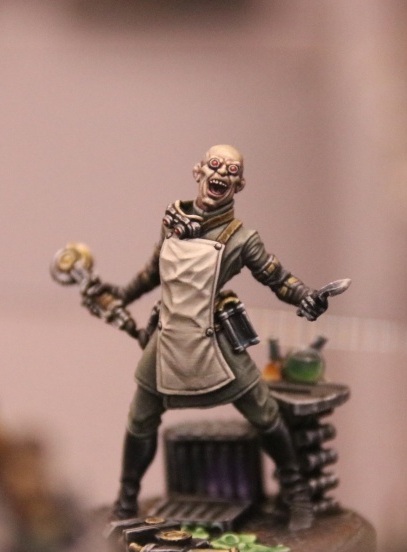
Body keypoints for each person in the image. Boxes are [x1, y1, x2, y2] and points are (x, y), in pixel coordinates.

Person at [102, 144, 332, 530]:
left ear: (239, 185)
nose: (221, 174)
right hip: (168, 338)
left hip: (215, 339)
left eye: (231, 170)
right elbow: (153, 270)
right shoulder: (172, 222)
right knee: (140, 418)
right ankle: (126, 500)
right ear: (199, 171)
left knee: (264, 410)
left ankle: (297, 493)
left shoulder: (242, 239)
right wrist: (120, 296)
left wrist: (305, 296)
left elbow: (276, 277)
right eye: (215, 165)